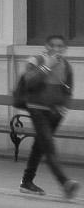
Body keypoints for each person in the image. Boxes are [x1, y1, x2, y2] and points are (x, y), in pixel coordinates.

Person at [15, 35, 79, 198]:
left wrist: (64, 108)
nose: (57, 49)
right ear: (46, 46)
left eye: (60, 46)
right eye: (53, 45)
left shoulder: (66, 66)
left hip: (55, 113)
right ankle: (65, 183)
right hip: (37, 110)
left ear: (65, 49)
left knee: (40, 146)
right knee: (49, 146)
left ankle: (26, 182)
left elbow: (68, 90)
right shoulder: (36, 60)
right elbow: (30, 83)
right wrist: (47, 66)